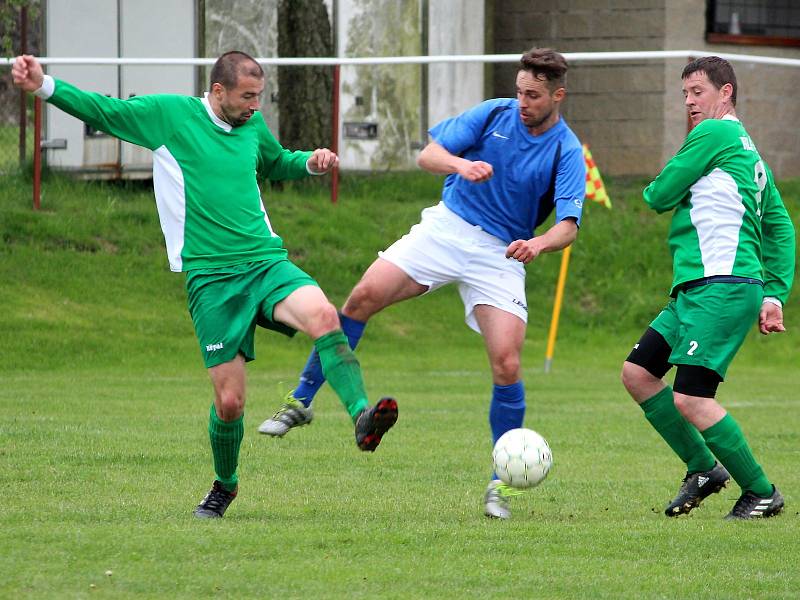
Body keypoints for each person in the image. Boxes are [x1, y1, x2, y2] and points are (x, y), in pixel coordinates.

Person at [11, 51, 398, 519]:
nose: (255, 106)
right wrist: (43, 86)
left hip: (264, 261)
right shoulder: (170, 116)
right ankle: (225, 485)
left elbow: (275, 162)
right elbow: (104, 111)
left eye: (260, 97)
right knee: (230, 402)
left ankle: (361, 414)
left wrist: (310, 164)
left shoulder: (251, 125)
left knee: (323, 315)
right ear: (218, 91)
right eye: (247, 97)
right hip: (211, 279)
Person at [259, 47, 586, 520]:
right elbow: (427, 155)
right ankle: (300, 400)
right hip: (447, 228)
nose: (522, 102)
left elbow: (570, 225)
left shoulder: (566, 148)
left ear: (558, 95)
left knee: (507, 362)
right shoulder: (493, 112)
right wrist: (460, 166)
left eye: (533, 95)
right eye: (519, 91)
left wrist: (538, 245)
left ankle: (499, 484)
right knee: (360, 298)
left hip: (500, 254)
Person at [621, 56, 795, 520]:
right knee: (638, 373)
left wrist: (769, 291)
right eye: (684, 94)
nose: (690, 102)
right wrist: (774, 294)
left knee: (692, 397)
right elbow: (780, 227)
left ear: (726, 93)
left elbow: (657, 195)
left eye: (698, 91)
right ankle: (702, 468)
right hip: (698, 288)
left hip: (721, 285)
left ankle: (761, 492)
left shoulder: (715, 134)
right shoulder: (749, 152)